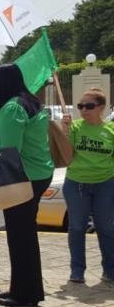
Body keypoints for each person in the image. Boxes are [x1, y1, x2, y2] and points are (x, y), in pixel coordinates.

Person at [0, 64, 54, 306]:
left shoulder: (13, 108)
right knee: (22, 233)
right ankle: (23, 287)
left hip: (23, 176)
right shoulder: (31, 103)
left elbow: (9, 152)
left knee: (20, 235)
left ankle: (25, 292)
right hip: (37, 173)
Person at [62, 88, 114, 284]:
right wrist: (65, 130)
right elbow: (66, 155)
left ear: (101, 107)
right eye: (81, 106)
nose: (84, 110)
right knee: (76, 227)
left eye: (89, 106)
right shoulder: (74, 127)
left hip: (106, 184)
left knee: (106, 228)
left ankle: (110, 270)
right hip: (76, 183)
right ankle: (77, 271)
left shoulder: (111, 130)